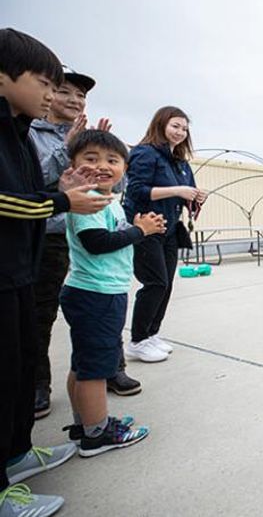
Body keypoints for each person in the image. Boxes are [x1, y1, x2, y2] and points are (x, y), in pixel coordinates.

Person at [0, 27, 111, 517]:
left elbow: (31, 193)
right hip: (7, 271)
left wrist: (59, 184)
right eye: (44, 82)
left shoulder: (18, 133)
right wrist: (62, 199)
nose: (52, 92)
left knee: (23, 361)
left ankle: (16, 454)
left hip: (21, 270)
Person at [29, 67, 141, 420]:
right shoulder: (29, 134)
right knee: (42, 312)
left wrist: (106, 159)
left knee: (102, 321)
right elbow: (35, 179)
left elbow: (113, 191)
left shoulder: (94, 139)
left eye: (80, 96)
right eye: (64, 91)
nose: (74, 100)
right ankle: (38, 385)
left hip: (89, 245)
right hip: (49, 235)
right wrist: (70, 149)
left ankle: (111, 368)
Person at [60, 129, 157, 457]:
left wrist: (137, 229)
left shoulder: (106, 201)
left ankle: (85, 422)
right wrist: (138, 230)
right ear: (72, 164)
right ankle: (96, 434)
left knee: (83, 363)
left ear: (124, 168)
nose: (102, 165)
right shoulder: (87, 202)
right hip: (96, 294)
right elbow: (97, 243)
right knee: (96, 368)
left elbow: (115, 238)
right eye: (90, 158)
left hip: (99, 292)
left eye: (112, 160)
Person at [123, 106, 206, 362]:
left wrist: (195, 197)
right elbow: (137, 190)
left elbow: (186, 194)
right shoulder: (145, 154)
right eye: (175, 126)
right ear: (160, 124)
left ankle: (151, 333)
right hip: (147, 226)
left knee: (167, 283)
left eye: (184, 128)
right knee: (155, 282)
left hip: (170, 229)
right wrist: (177, 190)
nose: (180, 132)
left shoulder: (179, 162)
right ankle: (137, 339)